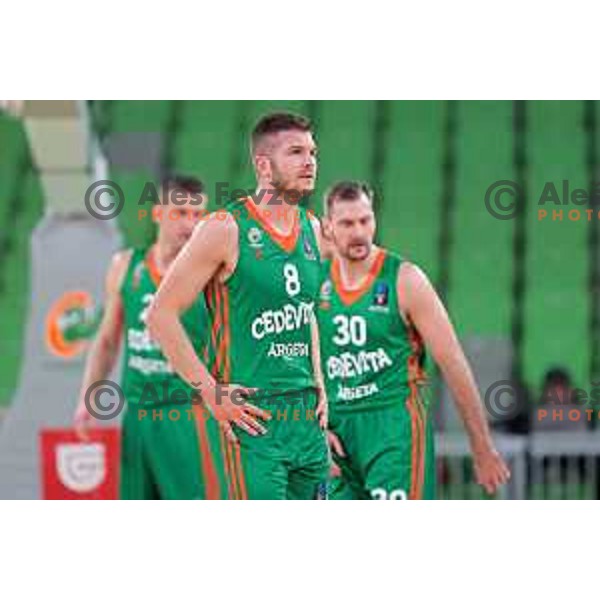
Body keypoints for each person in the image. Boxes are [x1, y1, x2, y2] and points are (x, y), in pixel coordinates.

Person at [147, 113, 329, 499]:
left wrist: (321, 385)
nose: (310, 161)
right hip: (252, 418)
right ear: (264, 165)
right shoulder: (224, 228)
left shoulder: (313, 229)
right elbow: (160, 315)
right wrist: (211, 393)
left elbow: (306, 314)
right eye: (296, 152)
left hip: (306, 419)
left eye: (312, 152)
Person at [318, 181, 510, 499]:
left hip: (394, 429)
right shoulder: (316, 283)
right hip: (338, 432)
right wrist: (313, 431)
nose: (359, 232)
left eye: (365, 220)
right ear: (328, 227)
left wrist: (481, 446)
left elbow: (453, 363)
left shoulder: (405, 280)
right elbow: (297, 368)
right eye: (347, 223)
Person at [73, 174, 222, 499]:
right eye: (180, 213)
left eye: (198, 215)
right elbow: (108, 340)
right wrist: (88, 396)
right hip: (138, 415)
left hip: (187, 413)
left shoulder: (211, 275)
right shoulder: (126, 265)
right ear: (158, 214)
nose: (190, 224)